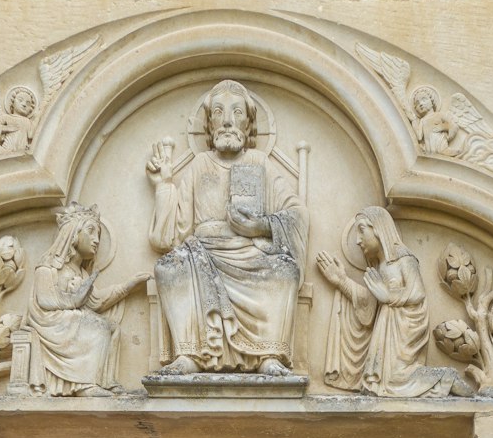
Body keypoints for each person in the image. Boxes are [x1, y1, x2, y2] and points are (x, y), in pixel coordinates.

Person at [146, 79, 308, 376]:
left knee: (285, 271)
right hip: (203, 253)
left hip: (251, 254)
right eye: (218, 113)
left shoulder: (261, 162)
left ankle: (268, 355)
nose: (228, 121)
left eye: (237, 113)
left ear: (249, 125)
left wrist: (259, 226)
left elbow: (296, 214)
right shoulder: (199, 164)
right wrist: (163, 185)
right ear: (208, 125)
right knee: (169, 268)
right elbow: (169, 235)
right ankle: (190, 354)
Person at [27, 202, 147, 396]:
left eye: (98, 234)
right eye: (90, 231)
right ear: (72, 233)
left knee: (112, 327)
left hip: (69, 322)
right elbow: (46, 301)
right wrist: (73, 298)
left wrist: (130, 285)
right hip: (50, 324)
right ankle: (84, 385)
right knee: (95, 325)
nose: (96, 240)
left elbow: (96, 302)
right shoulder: (48, 267)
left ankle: (105, 381)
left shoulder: (81, 272)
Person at [318, 208, 430, 395]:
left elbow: (418, 293)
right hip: (386, 333)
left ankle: (446, 380)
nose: (357, 240)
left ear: (378, 228)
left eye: (362, 230)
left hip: (402, 336)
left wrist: (389, 297)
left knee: (402, 379)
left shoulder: (404, 258)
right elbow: (371, 303)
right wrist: (341, 281)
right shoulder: (379, 268)